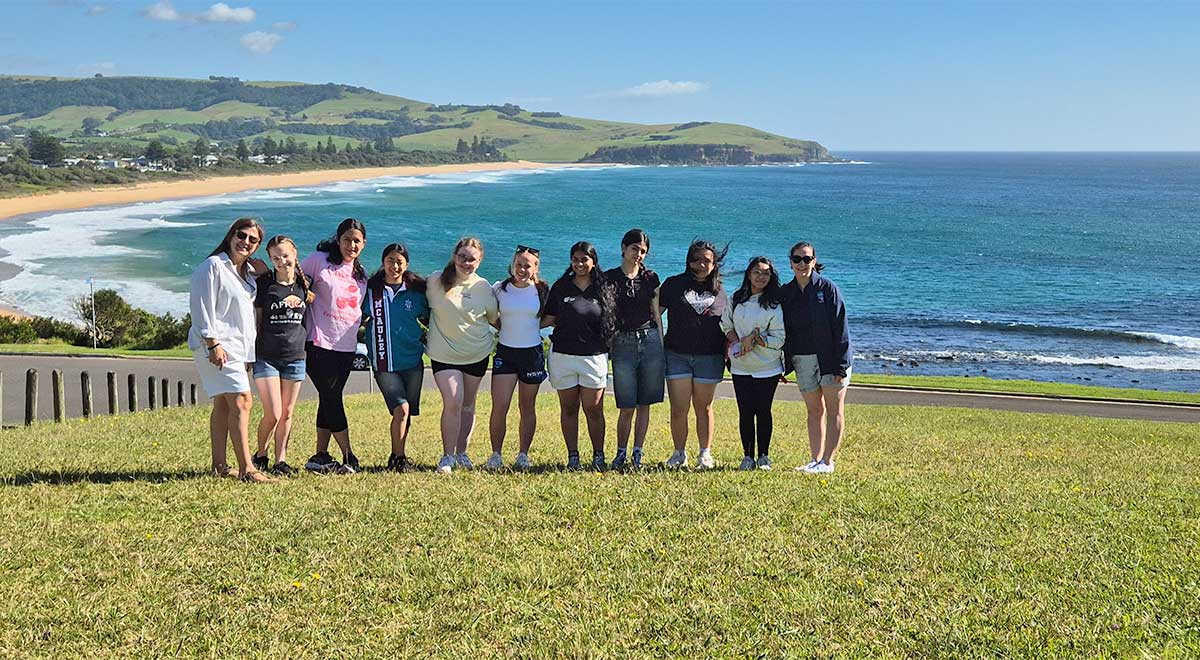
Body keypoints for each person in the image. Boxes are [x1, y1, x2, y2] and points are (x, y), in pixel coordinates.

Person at [188, 217, 273, 482]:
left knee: (224, 406)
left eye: (253, 239)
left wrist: (264, 273)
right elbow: (200, 307)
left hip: (237, 348)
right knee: (242, 401)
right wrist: (212, 343)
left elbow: (244, 317)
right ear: (231, 235)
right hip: (216, 345)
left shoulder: (247, 275)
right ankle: (247, 469)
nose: (245, 242)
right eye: (241, 235)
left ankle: (219, 466)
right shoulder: (213, 266)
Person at [301, 218, 368, 474]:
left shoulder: (361, 274)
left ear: (364, 244)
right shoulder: (319, 261)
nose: (351, 245)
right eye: (347, 239)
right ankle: (349, 456)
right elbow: (292, 282)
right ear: (338, 240)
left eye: (357, 241)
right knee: (332, 397)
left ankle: (319, 456)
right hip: (318, 342)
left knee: (327, 399)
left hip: (347, 346)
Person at [542, 241, 616, 470]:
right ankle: (573, 456)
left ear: (593, 262)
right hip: (563, 356)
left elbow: (614, 321)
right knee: (569, 408)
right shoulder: (561, 286)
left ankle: (598, 456)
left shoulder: (604, 288)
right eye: (575, 259)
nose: (579, 263)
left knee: (593, 409)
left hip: (594, 357)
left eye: (584, 259)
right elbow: (547, 318)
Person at [427, 237, 499, 474]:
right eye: (462, 257)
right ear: (454, 256)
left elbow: (495, 319)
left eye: (472, 259)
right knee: (454, 401)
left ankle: (462, 453)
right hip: (443, 355)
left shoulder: (484, 287)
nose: (466, 263)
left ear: (479, 261)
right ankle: (447, 456)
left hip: (476, 354)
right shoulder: (436, 281)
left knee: (468, 405)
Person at [658, 240, 729, 469]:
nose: (700, 265)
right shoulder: (673, 284)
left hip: (709, 357)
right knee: (679, 407)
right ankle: (679, 453)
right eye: (696, 260)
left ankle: (704, 453)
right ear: (688, 261)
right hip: (676, 354)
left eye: (706, 261)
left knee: (704, 407)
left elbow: (728, 324)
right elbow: (654, 314)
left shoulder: (720, 290)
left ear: (714, 263)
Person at [782, 241, 851, 474]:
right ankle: (815, 459)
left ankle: (828, 462)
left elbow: (841, 327)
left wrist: (840, 366)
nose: (802, 264)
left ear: (814, 261)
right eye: (797, 259)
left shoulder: (827, 288)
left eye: (807, 259)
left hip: (830, 359)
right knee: (814, 411)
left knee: (834, 410)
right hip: (802, 359)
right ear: (790, 262)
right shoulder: (787, 293)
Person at [362, 243, 429, 473]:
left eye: (399, 261)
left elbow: (433, 318)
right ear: (383, 262)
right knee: (400, 409)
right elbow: (353, 317)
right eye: (390, 260)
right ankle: (397, 458)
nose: (395, 266)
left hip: (412, 361)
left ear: (406, 265)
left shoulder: (416, 292)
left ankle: (398, 456)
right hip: (383, 362)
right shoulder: (371, 291)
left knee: (406, 412)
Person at [250, 235, 312, 477]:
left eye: (285, 255)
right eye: (275, 257)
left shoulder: (305, 284)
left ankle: (280, 460)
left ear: (295, 254)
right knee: (273, 413)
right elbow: (256, 320)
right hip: (266, 355)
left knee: (287, 413)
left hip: (296, 355)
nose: (281, 261)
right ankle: (260, 454)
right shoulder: (264, 283)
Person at [604, 228, 664, 470]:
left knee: (645, 403)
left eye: (643, 251)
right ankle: (620, 453)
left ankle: (637, 453)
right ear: (623, 248)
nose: (638, 255)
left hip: (649, 339)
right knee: (626, 404)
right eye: (634, 249)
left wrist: (661, 343)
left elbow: (657, 314)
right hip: (622, 342)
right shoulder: (609, 278)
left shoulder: (651, 278)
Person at [486, 245, 548, 471]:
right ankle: (496, 455)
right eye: (518, 264)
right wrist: (501, 326)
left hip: (531, 353)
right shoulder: (499, 288)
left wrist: (531, 327)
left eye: (527, 265)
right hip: (506, 352)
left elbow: (551, 316)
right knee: (500, 406)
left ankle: (523, 454)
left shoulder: (542, 290)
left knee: (527, 406)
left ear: (535, 268)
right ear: (512, 265)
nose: (522, 269)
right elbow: (488, 313)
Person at [720, 256, 786, 471]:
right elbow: (726, 325)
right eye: (757, 272)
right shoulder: (736, 299)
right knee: (745, 411)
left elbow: (779, 339)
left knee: (763, 411)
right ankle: (747, 456)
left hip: (767, 368)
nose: (761, 277)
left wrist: (757, 339)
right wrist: (739, 342)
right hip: (740, 367)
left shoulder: (775, 304)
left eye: (766, 273)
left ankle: (764, 456)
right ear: (749, 274)